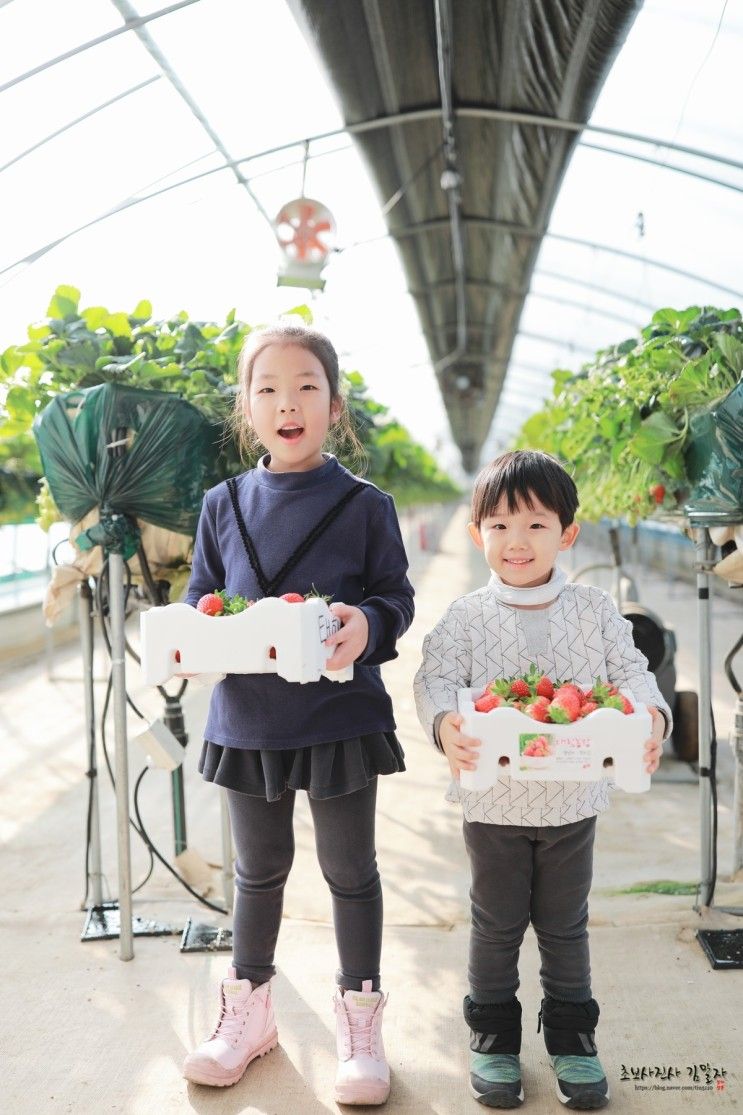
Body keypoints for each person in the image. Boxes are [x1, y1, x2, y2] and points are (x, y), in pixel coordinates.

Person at [181, 322, 414, 1105]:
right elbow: (200, 602)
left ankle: (359, 1015)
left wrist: (367, 624)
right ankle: (247, 1015)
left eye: (307, 386)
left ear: (334, 405)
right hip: (247, 717)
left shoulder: (364, 504)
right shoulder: (221, 504)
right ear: (245, 408)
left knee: (350, 872)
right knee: (258, 871)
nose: (289, 402)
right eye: (269, 389)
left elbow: (393, 597)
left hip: (340, 714)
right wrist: (195, 638)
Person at [413, 449, 670, 1111]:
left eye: (533, 523)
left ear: (567, 533)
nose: (515, 540)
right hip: (492, 803)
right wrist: (444, 723)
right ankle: (493, 1038)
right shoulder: (467, 616)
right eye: (497, 525)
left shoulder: (591, 609)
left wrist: (653, 720)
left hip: (571, 801)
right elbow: (434, 678)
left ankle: (572, 1039)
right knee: (494, 925)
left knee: (564, 925)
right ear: (475, 535)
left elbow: (632, 673)